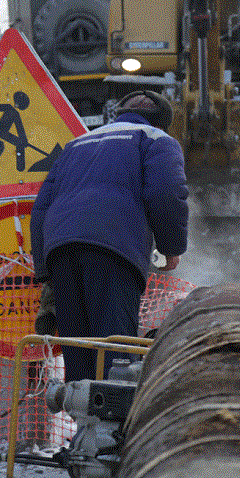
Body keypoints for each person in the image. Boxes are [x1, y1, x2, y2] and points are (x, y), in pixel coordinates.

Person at [31, 90, 189, 382]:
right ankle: (111, 422)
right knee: (116, 352)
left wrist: (44, 270)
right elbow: (167, 192)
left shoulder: (76, 144)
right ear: (162, 122)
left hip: (60, 251)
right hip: (113, 249)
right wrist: (171, 248)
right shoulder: (157, 140)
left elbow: (41, 208)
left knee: (77, 351)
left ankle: (82, 422)